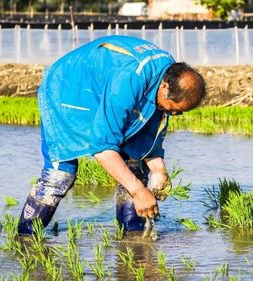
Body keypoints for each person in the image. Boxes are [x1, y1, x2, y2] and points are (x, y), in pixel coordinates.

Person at [18, 35, 205, 235]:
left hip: (105, 90)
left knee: (134, 168)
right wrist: (138, 191)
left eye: (179, 112)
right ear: (165, 86)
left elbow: (152, 126)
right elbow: (103, 147)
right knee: (60, 175)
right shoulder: (130, 78)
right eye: (173, 108)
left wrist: (158, 168)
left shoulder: (166, 75)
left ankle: (133, 236)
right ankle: (26, 238)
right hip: (68, 90)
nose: (173, 114)